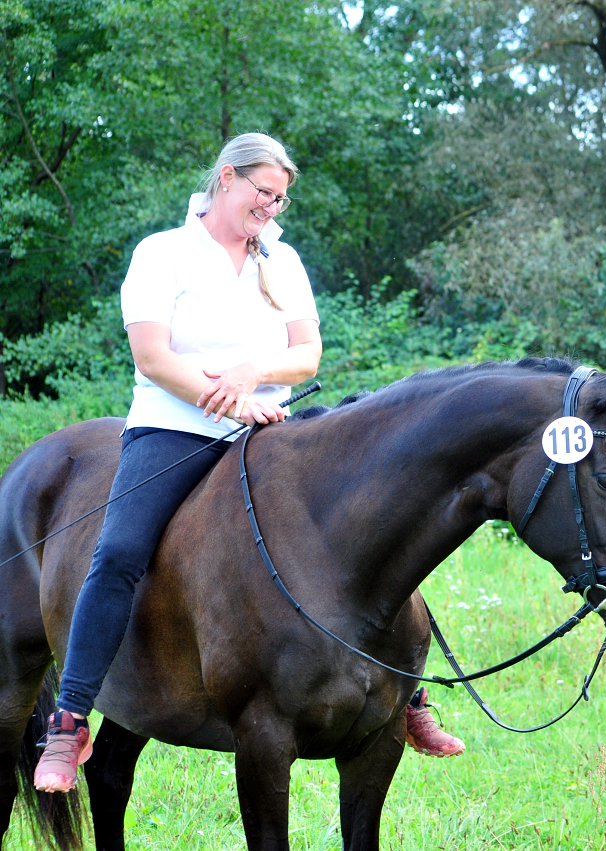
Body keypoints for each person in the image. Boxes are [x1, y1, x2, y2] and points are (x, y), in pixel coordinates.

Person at [32, 133, 460, 794]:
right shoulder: (162, 253)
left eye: (280, 198)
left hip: (272, 431)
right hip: (175, 428)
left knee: (369, 526)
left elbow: (307, 355)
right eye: (264, 192)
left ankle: (407, 694)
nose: (271, 206)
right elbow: (152, 357)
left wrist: (254, 372)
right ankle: (69, 719)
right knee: (117, 553)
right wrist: (231, 400)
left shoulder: (281, 259)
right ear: (227, 178)